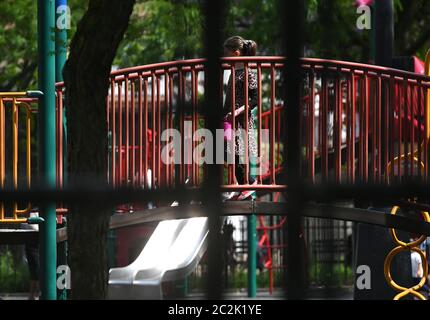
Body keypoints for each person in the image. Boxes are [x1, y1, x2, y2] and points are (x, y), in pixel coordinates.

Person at [222, 36, 258, 201]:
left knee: (237, 153)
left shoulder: (248, 71)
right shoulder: (233, 71)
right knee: (227, 152)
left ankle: (250, 183)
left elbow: (255, 99)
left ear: (236, 54)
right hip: (230, 120)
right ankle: (241, 186)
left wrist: (238, 112)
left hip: (241, 120)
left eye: (227, 54)